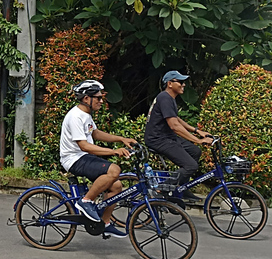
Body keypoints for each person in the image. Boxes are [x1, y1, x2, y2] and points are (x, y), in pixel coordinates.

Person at [60, 80, 137, 237]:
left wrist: (121, 139)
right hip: (73, 159)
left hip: (84, 157)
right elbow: (84, 146)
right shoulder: (75, 116)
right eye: (98, 98)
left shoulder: (85, 115)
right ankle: (86, 201)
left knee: (116, 186)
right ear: (86, 98)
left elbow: (95, 134)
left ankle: (105, 222)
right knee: (114, 170)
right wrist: (113, 151)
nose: (101, 101)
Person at [144, 70, 213, 202]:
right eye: (180, 82)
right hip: (158, 139)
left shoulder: (169, 98)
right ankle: (161, 189)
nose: (184, 85)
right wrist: (198, 140)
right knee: (191, 166)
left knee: (195, 152)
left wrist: (197, 131)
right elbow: (174, 126)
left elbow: (176, 119)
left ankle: (181, 188)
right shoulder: (165, 98)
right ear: (170, 83)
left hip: (167, 137)